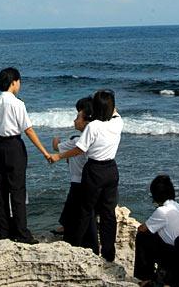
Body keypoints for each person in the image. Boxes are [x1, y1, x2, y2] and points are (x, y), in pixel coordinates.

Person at [50, 89, 122, 262]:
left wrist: (58, 156)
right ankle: (108, 253)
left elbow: (80, 149)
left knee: (85, 209)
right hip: (111, 169)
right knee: (108, 213)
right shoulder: (117, 123)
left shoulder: (93, 126)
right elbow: (115, 111)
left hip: (95, 170)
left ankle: (75, 246)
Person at [0, 67, 51, 244]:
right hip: (14, 146)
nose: (19, 85)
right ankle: (22, 233)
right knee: (17, 191)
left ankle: (4, 230)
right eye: (19, 82)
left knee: (1, 191)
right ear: (14, 82)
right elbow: (28, 130)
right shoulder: (17, 104)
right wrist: (45, 152)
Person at [51, 96, 96, 249]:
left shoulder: (77, 141)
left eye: (77, 117)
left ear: (86, 121)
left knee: (76, 210)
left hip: (78, 182)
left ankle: (73, 239)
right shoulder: (91, 138)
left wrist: (55, 138)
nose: (74, 120)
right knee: (80, 210)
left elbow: (57, 147)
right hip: (89, 181)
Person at [133, 174, 179, 287]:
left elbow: (142, 229)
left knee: (142, 236)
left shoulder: (162, 211)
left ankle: (145, 276)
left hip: (173, 255)